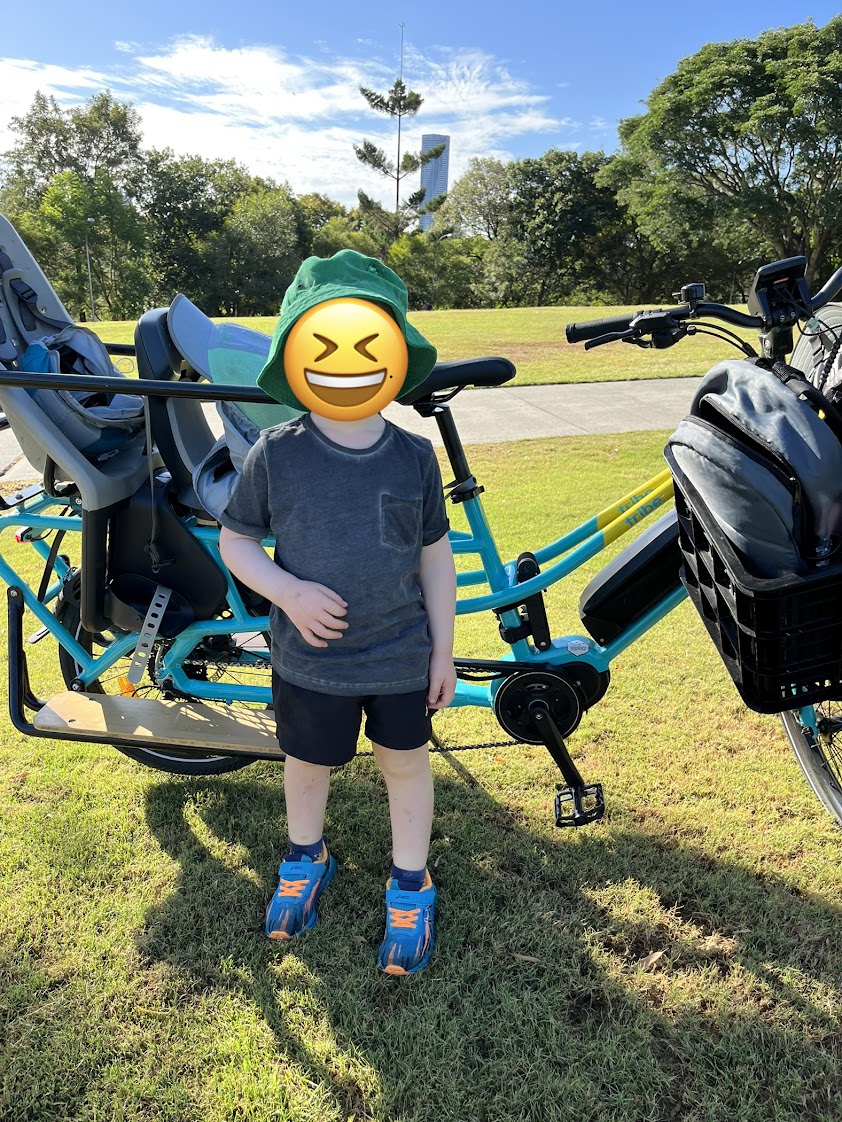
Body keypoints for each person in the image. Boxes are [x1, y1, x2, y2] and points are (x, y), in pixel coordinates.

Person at [218, 251, 457, 977]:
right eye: (324, 343)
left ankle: (411, 883)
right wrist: (286, 591)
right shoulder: (276, 454)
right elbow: (236, 539)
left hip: (398, 658)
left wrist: (443, 652)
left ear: (394, 352)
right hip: (309, 661)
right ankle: (304, 856)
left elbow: (434, 557)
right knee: (306, 763)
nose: (347, 363)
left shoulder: (413, 458)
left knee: (405, 767)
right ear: (294, 354)